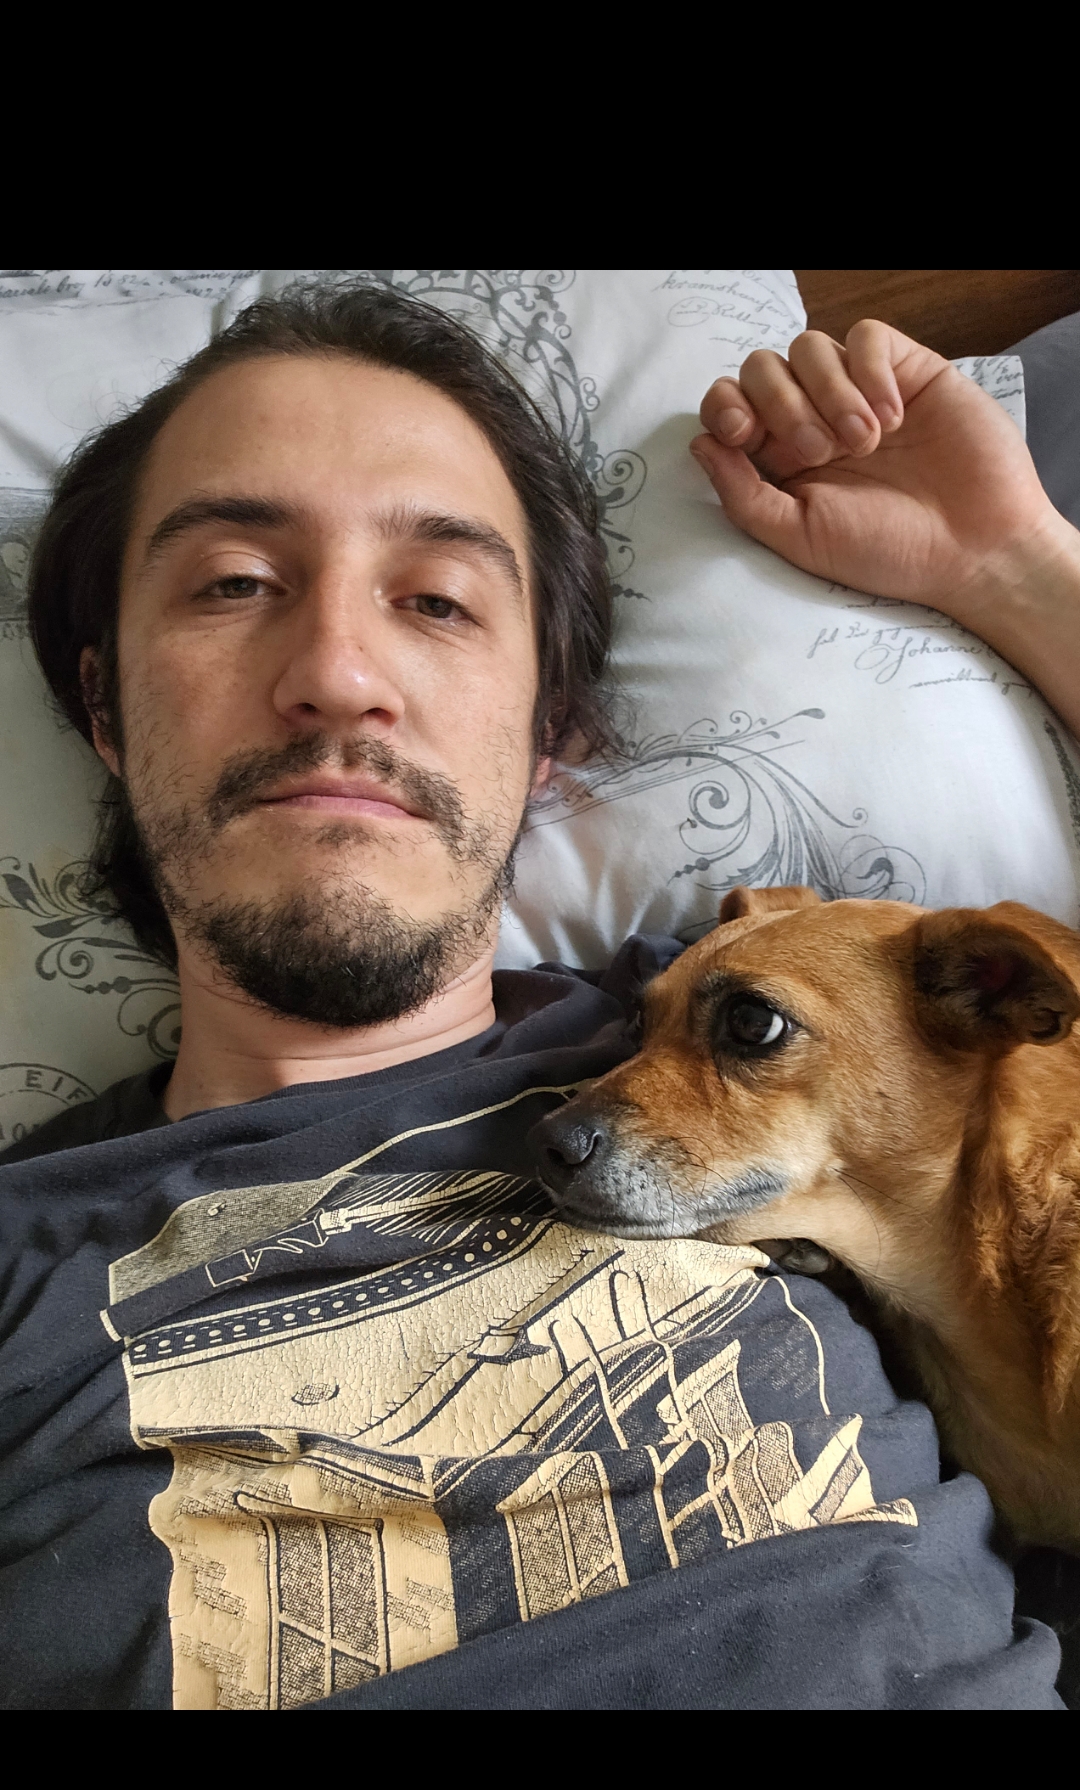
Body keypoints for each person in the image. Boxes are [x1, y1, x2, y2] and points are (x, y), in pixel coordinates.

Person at [1, 285, 1075, 1712]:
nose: (337, 674)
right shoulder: (22, 1259)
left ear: (547, 731)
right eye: (236, 583)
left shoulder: (742, 1028)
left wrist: (1012, 562)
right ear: (104, 710)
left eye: (437, 601)